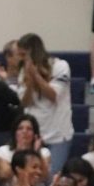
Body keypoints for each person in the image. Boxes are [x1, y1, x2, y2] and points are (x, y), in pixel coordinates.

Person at [16, 33, 74, 174]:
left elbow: (53, 95)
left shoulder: (60, 66)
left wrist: (36, 75)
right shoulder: (23, 71)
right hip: (34, 134)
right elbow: (25, 102)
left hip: (58, 135)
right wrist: (29, 82)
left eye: (24, 55)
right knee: (30, 175)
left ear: (33, 53)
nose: (21, 59)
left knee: (51, 176)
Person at [0, 113, 52, 178]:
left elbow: (44, 176)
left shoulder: (44, 152)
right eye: (20, 128)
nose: (24, 131)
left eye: (29, 129)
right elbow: (5, 175)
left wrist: (35, 154)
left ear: (35, 134)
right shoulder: (3, 151)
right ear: (15, 133)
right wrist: (19, 153)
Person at [0, 39, 23, 132]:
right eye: (19, 54)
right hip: (3, 119)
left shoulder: (28, 78)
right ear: (8, 57)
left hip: (23, 117)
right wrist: (6, 82)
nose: (23, 58)